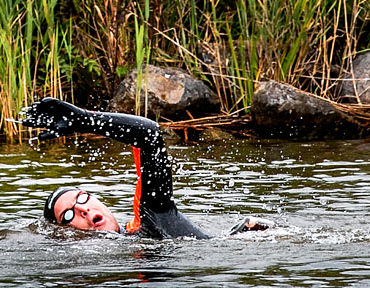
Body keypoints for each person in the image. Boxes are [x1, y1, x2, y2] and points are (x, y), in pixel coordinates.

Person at [20, 97, 268, 239]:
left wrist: (83, 120)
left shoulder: (150, 218)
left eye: (82, 198)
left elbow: (148, 133)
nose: (83, 210)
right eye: (69, 215)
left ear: (99, 200)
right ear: (63, 234)